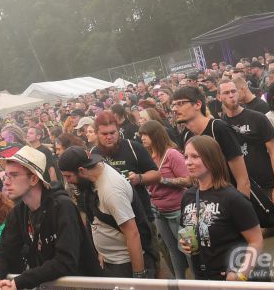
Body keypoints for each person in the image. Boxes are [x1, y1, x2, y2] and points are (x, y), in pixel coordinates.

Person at [0, 146, 102, 290]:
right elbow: (4, 252)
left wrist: (18, 283)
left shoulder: (62, 207)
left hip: (82, 285)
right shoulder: (18, 211)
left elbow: (66, 261)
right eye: (6, 176)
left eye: (13, 175)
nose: (6, 182)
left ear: (34, 179)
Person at [58, 146, 151, 278]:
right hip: (111, 260)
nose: (68, 181)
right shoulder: (94, 174)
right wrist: (102, 253)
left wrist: (138, 276)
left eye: (68, 176)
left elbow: (132, 234)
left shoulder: (112, 190)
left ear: (82, 170)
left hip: (124, 264)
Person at [179, 135, 263, 280]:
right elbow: (187, 230)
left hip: (230, 277)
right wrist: (184, 243)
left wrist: (241, 274)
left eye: (195, 156)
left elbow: (256, 241)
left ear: (212, 159)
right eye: (186, 157)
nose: (188, 162)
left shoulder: (233, 198)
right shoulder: (188, 196)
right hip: (202, 277)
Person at [218, 80, 274, 211]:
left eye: (233, 91)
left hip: (266, 185)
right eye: (226, 93)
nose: (231, 95)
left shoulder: (257, 118)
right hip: (240, 188)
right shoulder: (220, 125)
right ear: (219, 97)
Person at [174, 86, 250, 198]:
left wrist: (241, 206)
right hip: (210, 202)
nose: (174, 109)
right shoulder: (187, 136)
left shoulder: (218, 128)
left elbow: (242, 180)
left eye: (180, 103)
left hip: (232, 199)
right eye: (173, 105)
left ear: (197, 105)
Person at [138, 120, 190, 279]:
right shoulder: (147, 156)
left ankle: (198, 282)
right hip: (159, 212)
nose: (142, 138)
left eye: (146, 135)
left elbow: (188, 180)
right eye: (141, 135)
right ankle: (179, 282)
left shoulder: (171, 154)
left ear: (156, 135)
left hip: (178, 210)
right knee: (172, 251)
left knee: (188, 251)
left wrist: (162, 180)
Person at [90, 111, 160, 228]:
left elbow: (157, 175)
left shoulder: (133, 147)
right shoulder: (93, 153)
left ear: (118, 130)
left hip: (140, 217)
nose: (109, 137)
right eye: (104, 134)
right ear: (97, 133)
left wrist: (139, 178)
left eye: (112, 132)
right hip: (112, 223)